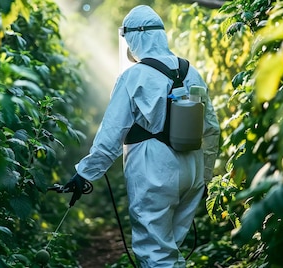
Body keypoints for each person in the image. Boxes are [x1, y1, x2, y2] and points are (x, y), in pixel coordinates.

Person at [65, 5, 220, 267]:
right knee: (170, 248)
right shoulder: (191, 72)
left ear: (137, 37)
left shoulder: (133, 75)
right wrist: (205, 177)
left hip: (156, 172)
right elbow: (212, 128)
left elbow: (112, 134)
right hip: (191, 170)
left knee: (154, 252)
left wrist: (84, 173)